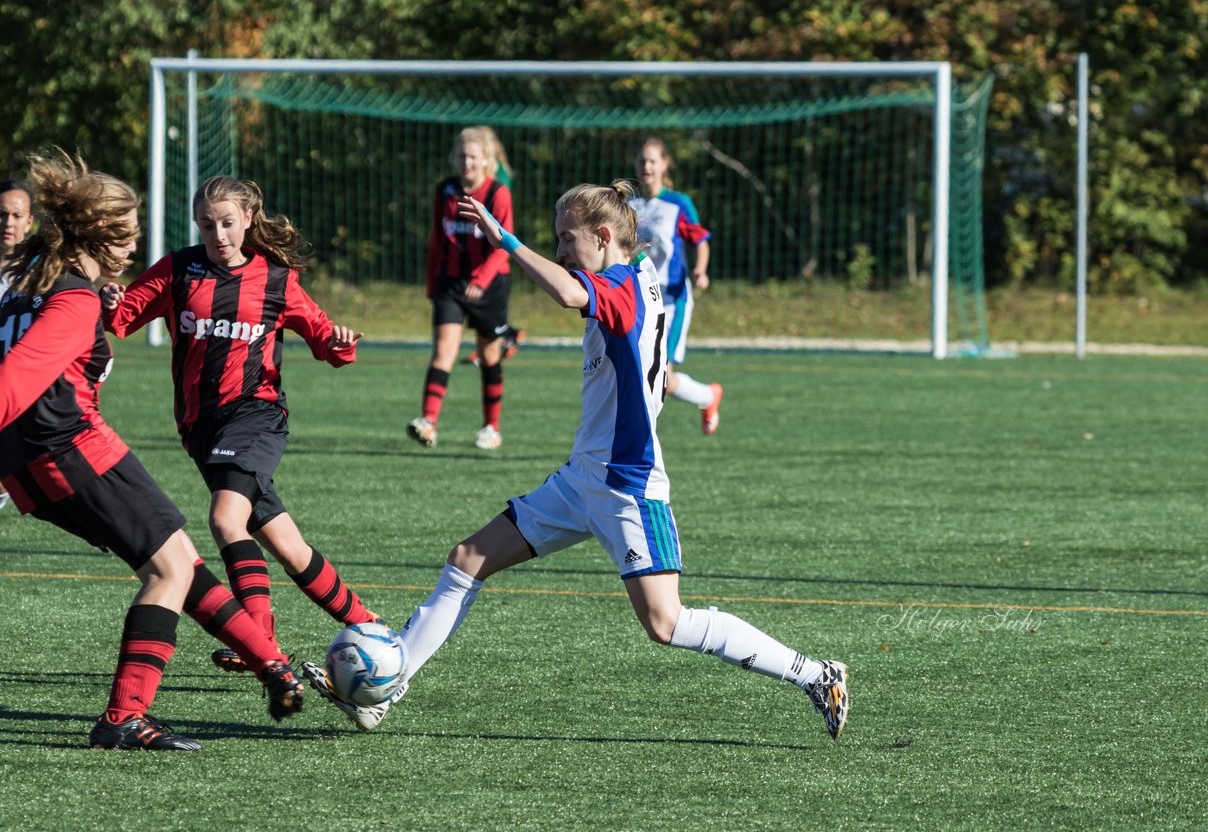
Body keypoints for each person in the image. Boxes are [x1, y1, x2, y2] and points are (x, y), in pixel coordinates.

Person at [303, 181, 849, 741]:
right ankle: (386, 692)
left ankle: (815, 673)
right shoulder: (631, 276)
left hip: (627, 488)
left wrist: (505, 240)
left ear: (604, 237)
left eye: (568, 238)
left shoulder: (623, 290)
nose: (561, 250)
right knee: (468, 558)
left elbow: (568, 293)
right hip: (579, 478)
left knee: (666, 622)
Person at [0, 150, 303, 751]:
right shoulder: (74, 298)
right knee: (169, 568)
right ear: (106, 233)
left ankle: (273, 664)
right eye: (131, 231)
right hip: (72, 447)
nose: (136, 245)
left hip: (27, 463)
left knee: (175, 559)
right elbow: (14, 383)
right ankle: (124, 716)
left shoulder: (30, 274)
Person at [101, 174, 380, 674]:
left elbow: (322, 337)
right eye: (207, 225)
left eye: (228, 223)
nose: (219, 235)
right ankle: (372, 625)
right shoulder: (179, 270)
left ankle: (258, 638)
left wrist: (338, 341)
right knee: (287, 546)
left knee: (225, 520)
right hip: (200, 429)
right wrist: (109, 298)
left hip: (256, 415)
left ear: (248, 219)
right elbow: (122, 318)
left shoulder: (275, 278)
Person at [407, 126, 516, 451]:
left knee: (489, 354)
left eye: (473, 156)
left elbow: (504, 244)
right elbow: (437, 240)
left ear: (486, 159)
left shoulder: (498, 193)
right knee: (443, 350)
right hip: (450, 285)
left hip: (490, 285)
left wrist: (481, 280)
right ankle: (428, 422)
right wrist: (432, 283)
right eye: (462, 156)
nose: (467, 162)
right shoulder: (445, 191)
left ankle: (491, 427)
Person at [630, 136, 723, 434]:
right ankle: (707, 396)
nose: (647, 166)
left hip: (672, 300)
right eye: (642, 160)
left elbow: (700, 240)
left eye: (653, 160)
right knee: (638, 369)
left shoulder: (678, 204)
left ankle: (708, 396)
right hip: (638, 297)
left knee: (662, 375)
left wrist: (700, 270)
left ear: (665, 165)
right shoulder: (628, 204)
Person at [467, 126, 525, 367]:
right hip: (481, 246)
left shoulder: (496, 176)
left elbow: (499, 211)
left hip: (492, 245)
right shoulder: (495, 169)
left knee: (491, 305)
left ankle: (503, 338)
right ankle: (496, 339)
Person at [0, 178, 34, 513]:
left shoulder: (44, 275)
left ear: (29, 221)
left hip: (20, 398)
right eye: (1, 214)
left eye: (15, 215)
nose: (7, 223)